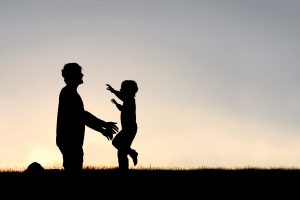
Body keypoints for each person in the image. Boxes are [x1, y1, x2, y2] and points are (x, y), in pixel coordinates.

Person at [56, 63, 118, 174]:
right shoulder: (68, 93)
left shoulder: (70, 92)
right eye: (79, 73)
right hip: (69, 141)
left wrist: (102, 128)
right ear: (73, 75)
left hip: (71, 141)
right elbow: (82, 116)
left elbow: (82, 116)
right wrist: (103, 126)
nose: (82, 74)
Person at [106, 80, 138, 171]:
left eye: (122, 88)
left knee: (119, 147)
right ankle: (124, 167)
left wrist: (113, 91)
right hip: (128, 128)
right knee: (120, 149)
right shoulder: (128, 101)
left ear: (128, 90)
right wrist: (116, 104)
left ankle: (131, 155)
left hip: (130, 128)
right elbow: (122, 109)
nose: (120, 89)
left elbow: (122, 97)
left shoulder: (130, 99)